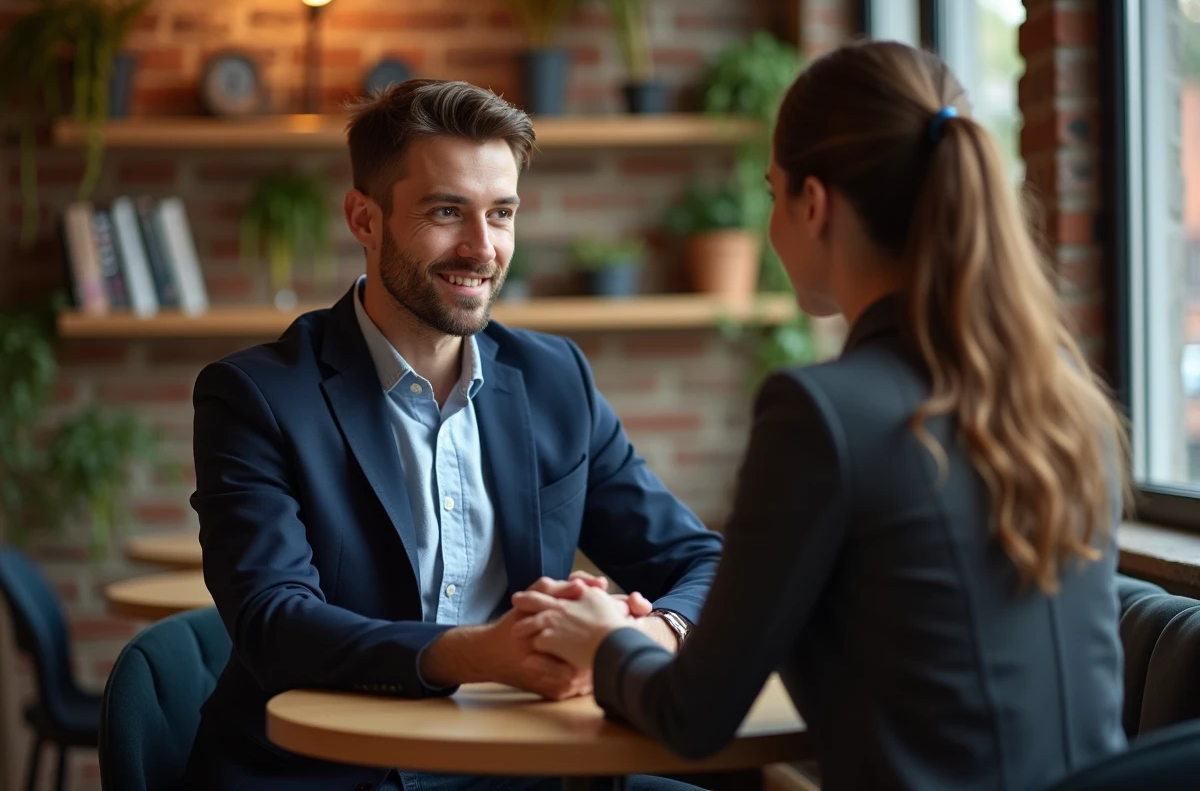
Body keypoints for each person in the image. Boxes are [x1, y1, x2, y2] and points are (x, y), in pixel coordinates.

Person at [509, 40, 1131, 791]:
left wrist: (602, 639)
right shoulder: (1065, 394)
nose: (773, 226)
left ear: (815, 203)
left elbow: (694, 715)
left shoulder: (822, 414)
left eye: (773, 195)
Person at [182, 79, 720, 791]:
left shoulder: (556, 378)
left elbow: (703, 564)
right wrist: (482, 654)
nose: (482, 248)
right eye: (446, 212)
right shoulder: (257, 395)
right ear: (363, 219)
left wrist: (637, 640)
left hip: (520, 767)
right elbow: (275, 625)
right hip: (324, 774)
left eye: (502, 214)